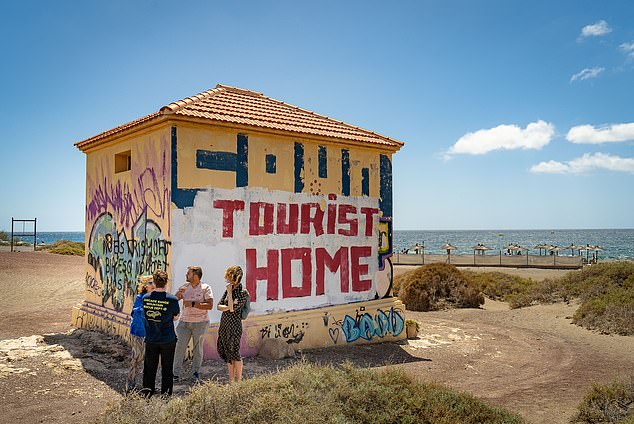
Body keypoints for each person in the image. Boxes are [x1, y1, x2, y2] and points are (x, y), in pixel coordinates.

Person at [142, 269, 180, 397]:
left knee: (149, 369)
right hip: (167, 339)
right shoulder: (173, 299)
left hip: (151, 338)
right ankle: (166, 396)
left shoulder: (146, 298)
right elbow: (175, 317)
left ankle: (147, 393)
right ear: (166, 282)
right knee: (167, 368)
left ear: (154, 282)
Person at [173, 266, 214, 382]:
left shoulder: (206, 288)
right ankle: (175, 374)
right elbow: (175, 300)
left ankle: (196, 373)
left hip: (200, 323)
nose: (186, 275)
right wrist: (177, 294)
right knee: (179, 348)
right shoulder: (184, 287)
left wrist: (193, 304)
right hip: (184, 323)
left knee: (197, 349)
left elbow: (210, 305)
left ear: (195, 276)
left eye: (188, 273)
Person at [217, 265, 248, 383]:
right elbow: (219, 306)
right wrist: (228, 305)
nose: (229, 279)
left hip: (234, 326)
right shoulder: (228, 289)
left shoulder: (242, 292)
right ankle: (231, 379)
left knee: (235, 352)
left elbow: (232, 309)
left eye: (231, 277)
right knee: (227, 353)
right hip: (224, 325)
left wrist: (229, 294)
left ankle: (239, 380)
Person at [126, 275, 154, 393]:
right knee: (136, 358)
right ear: (145, 286)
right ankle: (130, 382)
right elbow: (136, 312)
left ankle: (146, 385)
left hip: (149, 334)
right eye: (150, 283)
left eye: (154, 283)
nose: (153, 285)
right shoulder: (140, 297)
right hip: (138, 332)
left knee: (146, 359)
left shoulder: (156, 298)